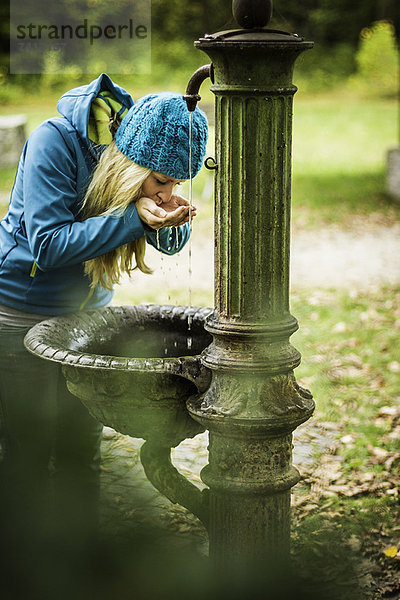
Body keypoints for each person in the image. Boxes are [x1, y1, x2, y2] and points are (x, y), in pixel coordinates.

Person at [0, 73, 208, 560]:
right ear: (130, 162)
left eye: (177, 181)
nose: (167, 188)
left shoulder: (139, 169)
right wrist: (135, 216)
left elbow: (160, 239)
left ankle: (80, 563)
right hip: (18, 313)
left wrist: (168, 215)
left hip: (86, 322)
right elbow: (47, 246)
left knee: (79, 451)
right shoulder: (55, 142)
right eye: (161, 180)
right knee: (27, 454)